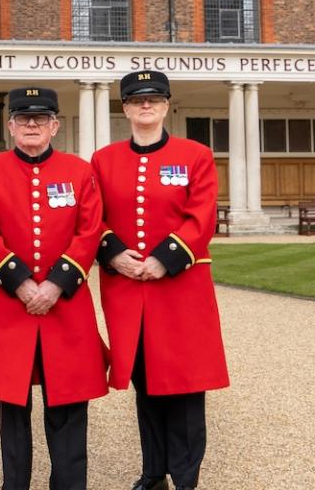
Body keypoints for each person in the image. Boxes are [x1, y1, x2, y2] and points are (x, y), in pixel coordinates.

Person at [89, 70, 228, 490]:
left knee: (185, 384)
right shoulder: (104, 160)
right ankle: (154, 473)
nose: (145, 105)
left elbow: (202, 215)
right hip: (128, 287)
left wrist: (165, 259)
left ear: (166, 105)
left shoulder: (195, 155)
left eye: (153, 99)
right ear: (126, 108)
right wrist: (116, 255)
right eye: (136, 100)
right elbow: (91, 218)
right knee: (144, 381)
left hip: (179, 287)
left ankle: (185, 477)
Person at [0, 86, 107, 490]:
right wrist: (22, 284)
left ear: (55, 126)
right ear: (11, 126)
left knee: (68, 400)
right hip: (11, 305)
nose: (32, 125)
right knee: (12, 404)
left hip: (65, 305)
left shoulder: (80, 171)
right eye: (24, 119)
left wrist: (55, 285)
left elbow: (89, 231)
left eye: (41, 119)